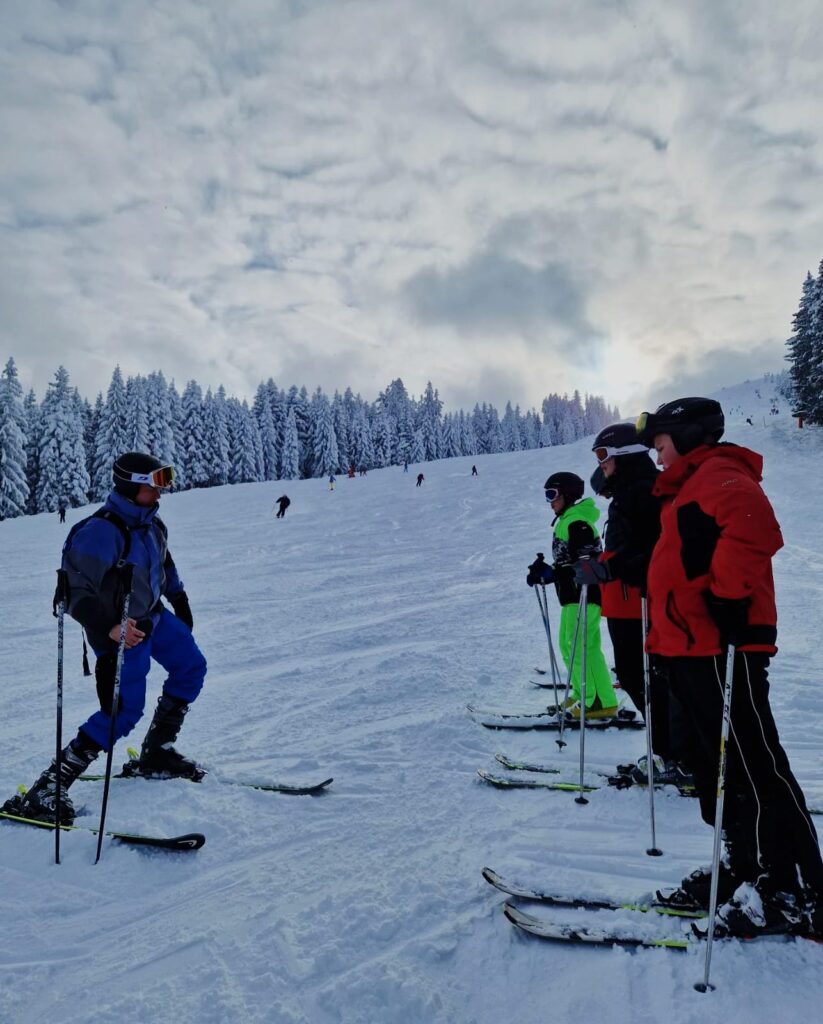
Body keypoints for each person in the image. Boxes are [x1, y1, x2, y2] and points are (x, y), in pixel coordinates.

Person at [638, 397, 823, 937]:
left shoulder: (718, 472)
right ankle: (747, 867)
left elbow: (756, 528)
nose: (656, 455)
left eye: (661, 443)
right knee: (721, 770)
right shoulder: (687, 485)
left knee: (755, 763)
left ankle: (795, 889)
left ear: (690, 436)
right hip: (693, 648)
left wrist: (726, 594)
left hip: (726, 646)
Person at [2, 452, 207, 825]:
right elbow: (72, 593)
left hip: (153, 618)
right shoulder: (100, 532)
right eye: (155, 483)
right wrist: (106, 627)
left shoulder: (152, 524)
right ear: (132, 485)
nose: (163, 490)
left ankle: (157, 752)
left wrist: (180, 600)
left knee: (191, 667)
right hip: (120, 631)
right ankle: (49, 784)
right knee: (123, 711)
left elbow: (165, 565)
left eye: (165, 480)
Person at [574, 424, 687, 785]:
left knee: (650, 679)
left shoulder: (644, 493)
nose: (600, 464)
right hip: (624, 603)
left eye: (603, 456)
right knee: (637, 677)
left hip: (641, 604)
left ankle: (677, 756)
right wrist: (601, 567)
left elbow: (658, 555)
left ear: (623, 455)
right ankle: (670, 751)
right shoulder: (628, 493)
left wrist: (610, 567)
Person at [528, 472, 618, 719]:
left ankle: (600, 701)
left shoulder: (577, 522)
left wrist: (562, 572)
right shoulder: (567, 521)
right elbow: (567, 564)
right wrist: (547, 573)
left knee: (583, 646)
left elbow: (586, 562)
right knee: (568, 646)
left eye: (552, 494)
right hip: (570, 596)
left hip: (585, 594)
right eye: (547, 495)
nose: (550, 501)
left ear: (567, 494)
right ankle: (583, 692)